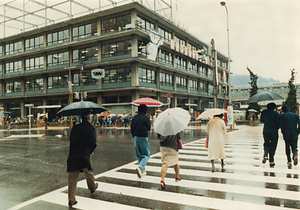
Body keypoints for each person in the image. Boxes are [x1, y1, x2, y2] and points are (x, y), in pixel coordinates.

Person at [67, 110, 98, 207]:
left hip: (74, 154)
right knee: (88, 171)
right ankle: (92, 187)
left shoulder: (75, 128)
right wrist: (90, 151)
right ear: (89, 118)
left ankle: (71, 199)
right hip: (84, 154)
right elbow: (93, 142)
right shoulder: (91, 128)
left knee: (72, 177)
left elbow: (71, 139)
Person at [131, 104, 151, 178]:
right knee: (146, 155)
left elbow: (132, 127)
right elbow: (148, 128)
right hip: (143, 136)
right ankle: (140, 167)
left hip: (136, 137)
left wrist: (133, 135)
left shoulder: (134, 117)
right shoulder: (146, 118)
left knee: (139, 155)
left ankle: (142, 171)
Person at [260, 103, 280, 167]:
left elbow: (261, 120)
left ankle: (265, 155)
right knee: (273, 145)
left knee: (266, 143)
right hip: (273, 131)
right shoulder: (276, 113)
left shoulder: (263, 112)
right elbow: (278, 123)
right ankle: (271, 159)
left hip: (266, 130)